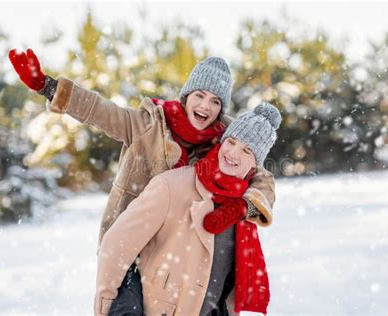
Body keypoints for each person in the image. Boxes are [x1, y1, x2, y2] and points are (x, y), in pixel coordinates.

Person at [8, 49, 277, 314]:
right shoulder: (147, 126)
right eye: (200, 95)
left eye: (216, 101)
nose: (205, 106)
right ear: (186, 96)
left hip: (171, 253)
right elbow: (100, 111)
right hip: (132, 250)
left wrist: (247, 206)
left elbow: (261, 175)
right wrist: (47, 86)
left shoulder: (224, 141)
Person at [95, 101, 281, 316]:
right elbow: (116, 245)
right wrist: (107, 305)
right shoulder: (171, 186)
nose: (233, 153)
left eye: (247, 150)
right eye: (231, 142)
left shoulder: (246, 205)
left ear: (256, 164)